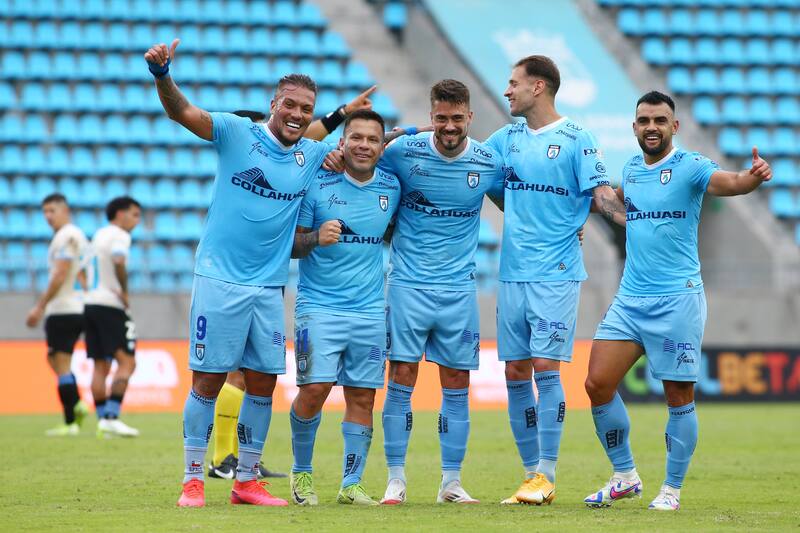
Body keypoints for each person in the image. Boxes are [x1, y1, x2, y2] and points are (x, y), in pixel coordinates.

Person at [144, 39, 331, 508]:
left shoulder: (310, 156)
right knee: (207, 381)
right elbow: (182, 112)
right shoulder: (236, 132)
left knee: (265, 383)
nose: (296, 114)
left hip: (269, 288)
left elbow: (358, 148)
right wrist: (163, 76)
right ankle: (192, 480)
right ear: (274, 103)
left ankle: (247, 481)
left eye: (305, 109)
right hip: (219, 280)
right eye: (289, 104)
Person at [583, 91, 772, 511]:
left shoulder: (690, 167)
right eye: (644, 120)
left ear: (675, 127)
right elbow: (616, 205)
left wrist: (752, 177)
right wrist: (580, 210)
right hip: (630, 299)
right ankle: (625, 475)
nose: (652, 127)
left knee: (678, 397)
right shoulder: (631, 170)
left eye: (660, 120)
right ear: (634, 127)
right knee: (597, 384)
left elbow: (731, 182)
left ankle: (671, 489)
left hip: (676, 301)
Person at [207, 91, 378, 481]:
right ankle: (222, 459)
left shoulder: (286, 160)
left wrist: (344, 112)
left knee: (249, 376)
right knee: (233, 374)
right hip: (235, 278)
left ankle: (238, 458)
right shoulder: (246, 160)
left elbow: (310, 137)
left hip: (268, 278)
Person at [485, 55, 626, 505]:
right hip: (512, 272)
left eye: (513, 83)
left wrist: (631, 218)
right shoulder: (504, 139)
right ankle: (530, 476)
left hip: (556, 271)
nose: (507, 91)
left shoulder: (576, 138)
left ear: (539, 87)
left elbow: (602, 194)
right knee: (514, 370)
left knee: (545, 367)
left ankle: (546, 473)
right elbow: (476, 172)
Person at [373, 80, 505, 505]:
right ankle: (396, 478)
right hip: (408, 285)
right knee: (401, 380)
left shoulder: (488, 162)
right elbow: (361, 166)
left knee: (457, 383)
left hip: (459, 290)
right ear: (431, 117)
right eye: (441, 118)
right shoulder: (402, 154)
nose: (449, 126)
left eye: (457, 118)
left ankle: (451, 482)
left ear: (470, 116)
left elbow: (518, 205)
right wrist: (386, 136)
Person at [289, 109, 400, 507]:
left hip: (370, 311)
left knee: (363, 398)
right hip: (318, 307)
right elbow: (291, 244)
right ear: (342, 141)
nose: (364, 145)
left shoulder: (392, 185)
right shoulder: (317, 182)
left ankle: (351, 484)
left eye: (373, 139)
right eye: (356, 137)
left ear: (382, 145)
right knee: (315, 389)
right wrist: (316, 237)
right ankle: (301, 474)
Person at [26, 194, 90, 436]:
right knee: (55, 360)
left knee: (60, 363)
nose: (47, 216)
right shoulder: (74, 236)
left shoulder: (67, 236)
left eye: (52, 210)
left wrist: (40, 306)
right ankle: (75, 404)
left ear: (65, 211)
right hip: (74, 306)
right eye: (45, 212)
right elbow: (82, 274)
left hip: (64, 308)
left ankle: (71, 418)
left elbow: (61, 273)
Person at [84, 196, 142, 438]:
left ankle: (102, 423)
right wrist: (125, 292)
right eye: (135, 215)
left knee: (100, 365)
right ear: (120, 214)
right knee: (128, 362)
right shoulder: (120, 235)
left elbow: (80, 270)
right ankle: (112, 416)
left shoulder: (97, 236)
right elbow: (119, 260)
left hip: (90, 304)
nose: (136, 221)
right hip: (111, 305)